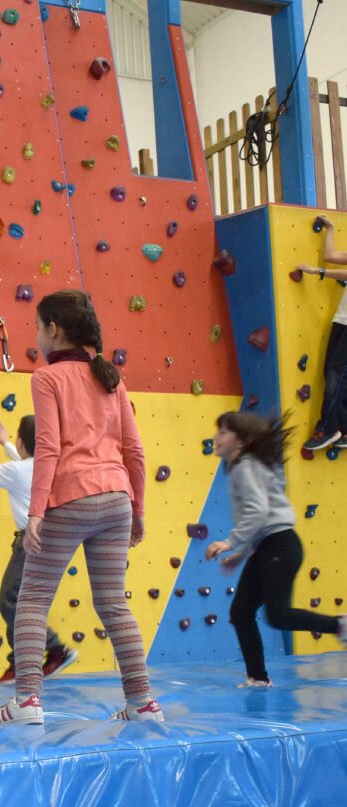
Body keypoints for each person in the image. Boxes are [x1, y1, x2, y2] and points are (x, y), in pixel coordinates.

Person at [0, 290, 161, 726]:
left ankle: (27, 700)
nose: (36, 334)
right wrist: (137, 508)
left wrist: (36, 513)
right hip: (116, 499)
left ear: (53, 329)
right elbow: (134, 450)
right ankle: (142, 702)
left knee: (30, 602)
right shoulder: (109, 376)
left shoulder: (47, 378)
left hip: (72, 498)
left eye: (36, 325)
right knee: (113, 604)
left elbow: (46, 447)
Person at [204, 411, 347, 686]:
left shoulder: (245, 465)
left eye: (222, 431)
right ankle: (257, 677)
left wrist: (229, 542)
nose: (216, 437)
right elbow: (260, 517)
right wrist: (242, 554)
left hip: (279, 544)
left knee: (278, 615)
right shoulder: (246, 465)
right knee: (242, 612)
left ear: (242, 439)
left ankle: (339, 626)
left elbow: (259, 510)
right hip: (269, 546)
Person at [0, 416, 76, 683]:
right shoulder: (50, 466)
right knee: (22, 603)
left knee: (11, 602)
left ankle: (57, 649)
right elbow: (26, 468)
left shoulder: (18, 472)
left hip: (31, 543)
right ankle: (20, 665)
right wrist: (6, 445)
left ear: (21, 441)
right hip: (53, 543)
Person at [296, 214, 347, 451]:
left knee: (337, 376)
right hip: (342, 323)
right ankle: (343, 428)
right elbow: (330, 255)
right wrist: (331, 229)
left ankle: (326, 429)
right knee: (334, 374)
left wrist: (317, 271)